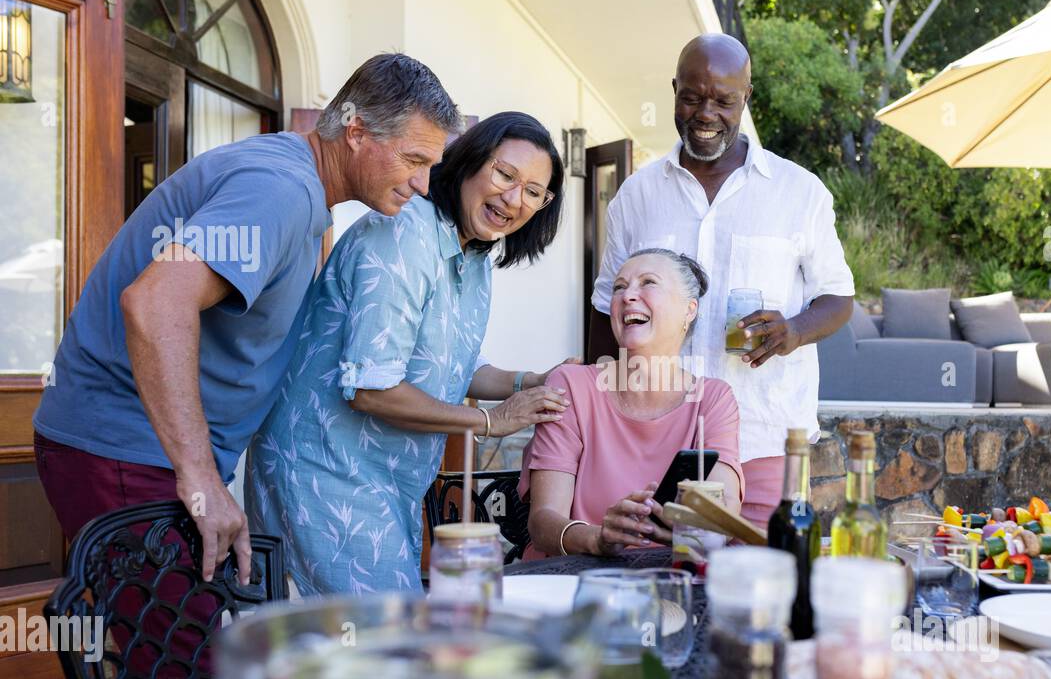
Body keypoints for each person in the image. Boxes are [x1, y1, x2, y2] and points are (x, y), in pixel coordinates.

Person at [32, 53, 459, 679]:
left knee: (178, 669)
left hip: (137, 453)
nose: (423, 184)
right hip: (121, 452)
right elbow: (155, 303)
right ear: (354, 132)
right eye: (412, 160)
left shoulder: (297, 189)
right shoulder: (280, 192)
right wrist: (202, 480)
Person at [247, 112, 572, 595]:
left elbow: (451, 368)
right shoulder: (404, 234)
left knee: (365, 644)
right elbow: (372, 389)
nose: (513, 199)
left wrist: (531, 380)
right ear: (468, 161)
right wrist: (491, 422)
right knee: (379, 641)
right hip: (327, 469)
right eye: (504, 174)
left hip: (385, 481)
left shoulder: (474, 256)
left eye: (533, 191)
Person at [588, 34, 855, 526]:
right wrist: (598, 405)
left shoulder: (800, 192)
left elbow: (838, 298)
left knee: (764, 588)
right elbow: (607, 306)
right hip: (655, 442)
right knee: (660, 587)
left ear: (746, 98)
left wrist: (793, 331)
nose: (705, 113)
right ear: (673, 91)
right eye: (691, 97)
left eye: (724, 101)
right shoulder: (637, 195)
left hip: (764, 439)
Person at [523, 249, 743, 559]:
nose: (628, 296)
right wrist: (597, 539)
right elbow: (543, 521)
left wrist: (694, 526)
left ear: (688, 310)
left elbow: (725, 509)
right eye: (619, 287)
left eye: (648, 282)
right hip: (572, 582)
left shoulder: (713, 399)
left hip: (671, 579)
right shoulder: (570, 385)